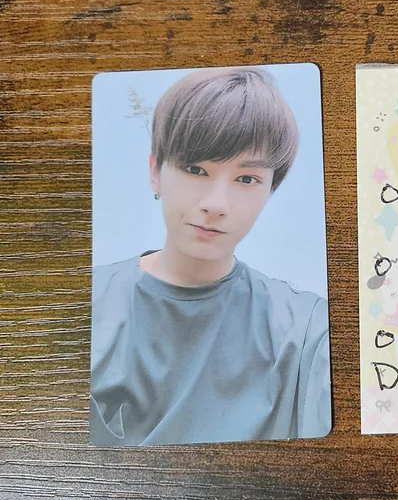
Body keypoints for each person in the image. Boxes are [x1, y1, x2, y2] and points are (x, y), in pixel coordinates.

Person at [90, 67, 331, 445]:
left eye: (247, 179)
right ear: (155, 172)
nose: (217, 204)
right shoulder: (85, 303)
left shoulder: (305, 332)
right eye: (195, 169)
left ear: (270, 189)